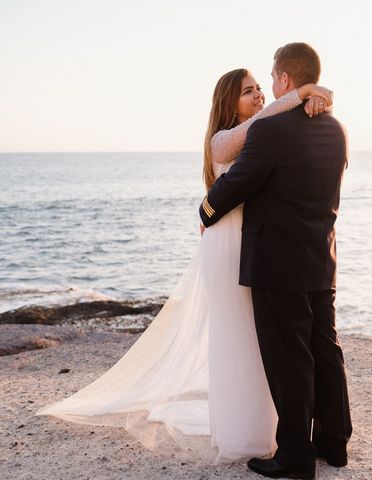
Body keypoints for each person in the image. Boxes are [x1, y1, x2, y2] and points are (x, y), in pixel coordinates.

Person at [36, 64, 334, 464]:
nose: (259, 96)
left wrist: (313, 97)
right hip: (229, 245)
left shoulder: (268, 130)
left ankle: (279, 427)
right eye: (249, 91)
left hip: (258, 244)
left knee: (266, 341)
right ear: (228, 101)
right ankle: (245, 432)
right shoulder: (223, 141)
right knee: (238, 336)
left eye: (261, 87)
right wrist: (301, 93)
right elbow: (262, 129)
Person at [199, 42, 352, 480]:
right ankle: (334, 443)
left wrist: (206, 212)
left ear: (285, 81)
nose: (267, 87)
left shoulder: (270, 132)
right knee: (325, 349)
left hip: (276, 263)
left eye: (270, 79)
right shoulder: (336, 128)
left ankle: (295, 457)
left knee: (290, 361)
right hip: (321, 257)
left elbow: (238, 185)